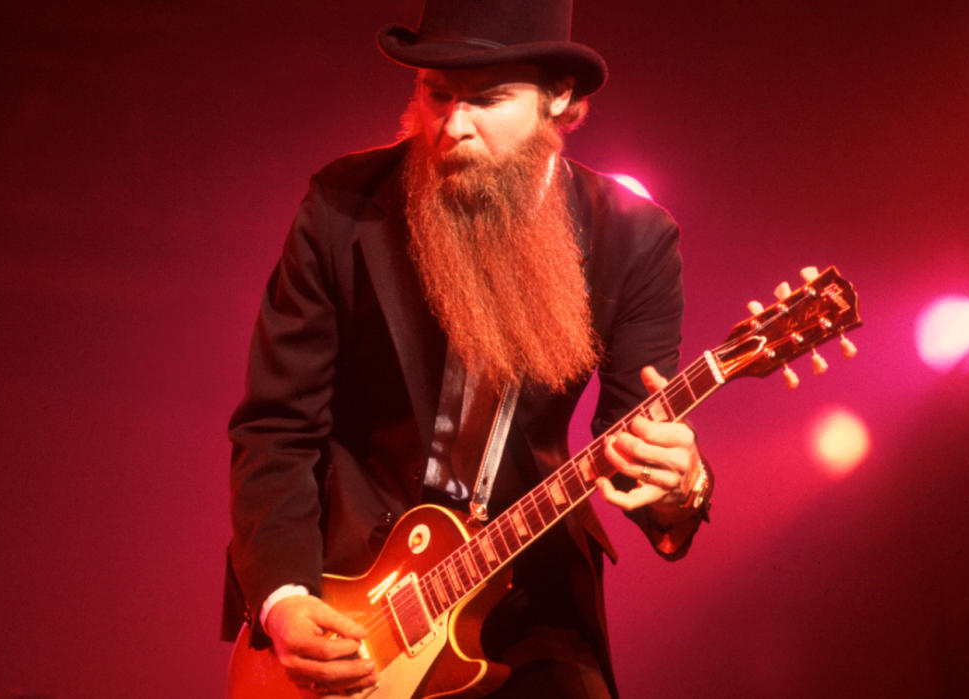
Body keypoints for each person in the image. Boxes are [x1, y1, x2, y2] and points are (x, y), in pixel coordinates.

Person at [224, 1, 713, 696]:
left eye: (487, 100)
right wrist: (284, 598)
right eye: (437, 93)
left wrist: (679, 483)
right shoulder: (340, 205)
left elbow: (635, 445)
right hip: (348, 592)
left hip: (526, 597)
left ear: (560, 98)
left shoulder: (634, 242)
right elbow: (277, 426)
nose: (453, 126)